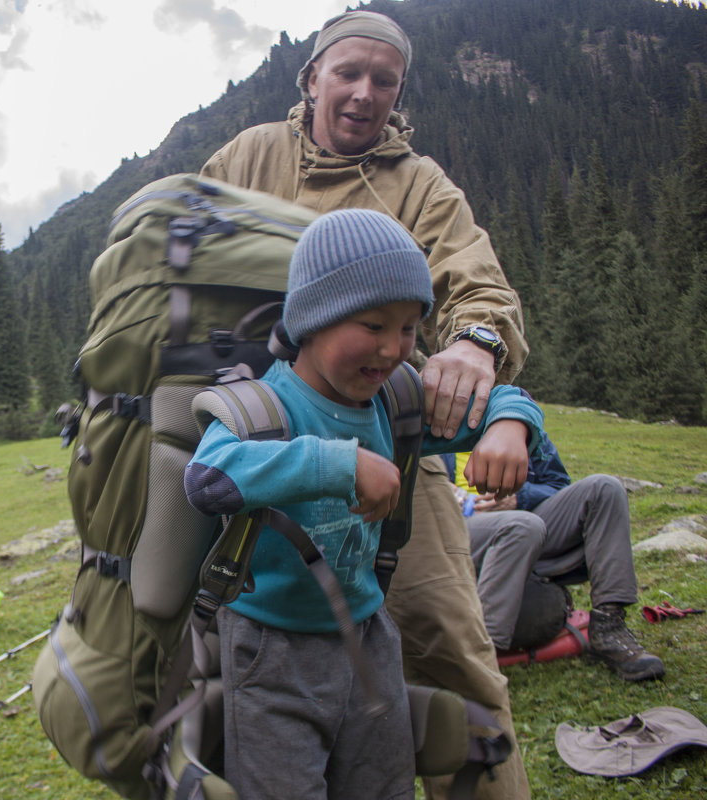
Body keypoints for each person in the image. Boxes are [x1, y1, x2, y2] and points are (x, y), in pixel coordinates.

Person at [200, 10, 533, 798]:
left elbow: (479, 286)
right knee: (202, 651)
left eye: (384, 80)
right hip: (257, 435)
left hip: (387, 443)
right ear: (311, 77)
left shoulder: (419, 183)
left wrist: (473, 344)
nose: (363, 93)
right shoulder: (249, 154)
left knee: (448, 647)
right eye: (347, 72)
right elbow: (181, 250)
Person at [445, 438, 665, 681]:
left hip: (529, 530)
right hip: (458, 536)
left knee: (605, 488)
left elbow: (557, 484)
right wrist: (439, 493)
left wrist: (520, 497)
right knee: (522, 527)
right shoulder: (430, 420)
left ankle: (609, 626)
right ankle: (480, 658)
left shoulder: (514, 420)